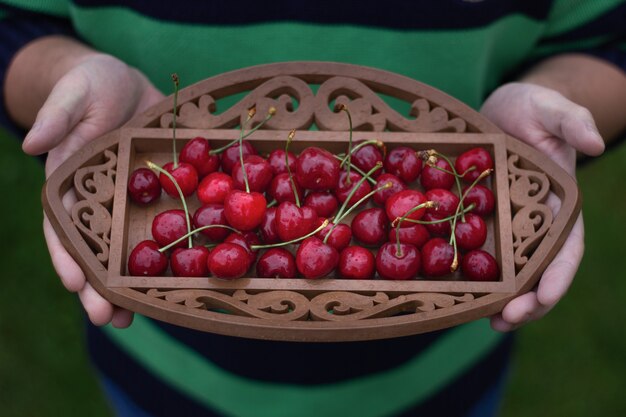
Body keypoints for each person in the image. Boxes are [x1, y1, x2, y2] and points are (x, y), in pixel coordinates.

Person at [1, 1, 625, 416]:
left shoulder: (391, 215)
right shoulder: (217, 211)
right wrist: (65, 73)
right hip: (168, 368)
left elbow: (609, 39)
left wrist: (558, 95)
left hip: (435, 372)